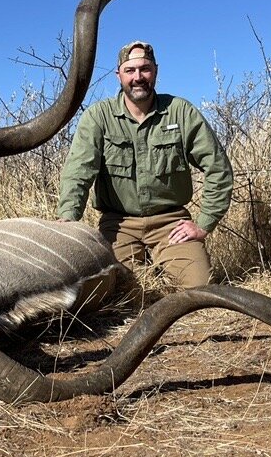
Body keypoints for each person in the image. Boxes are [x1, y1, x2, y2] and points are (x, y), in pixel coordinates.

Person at [57, 41, 233, 288]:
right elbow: (78, 174)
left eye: (145, 69)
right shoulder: (98, 116)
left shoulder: (180, 111)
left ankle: (169, 263)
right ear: (118, 75)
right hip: (119, 225)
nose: (138, 77)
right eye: (130, 70)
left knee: (199, 289)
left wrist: (203, 224)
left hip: (170, 223)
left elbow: (218, 169)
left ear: (156, 71)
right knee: (116, 290)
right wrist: (68, 221)